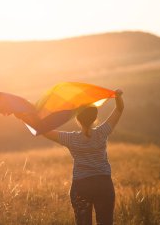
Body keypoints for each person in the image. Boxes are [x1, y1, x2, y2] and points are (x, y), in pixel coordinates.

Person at [42, 89, 124, 225]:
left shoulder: (70, 138)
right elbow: (119, 109)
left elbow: (45, 132)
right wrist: (118, 96)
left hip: (81, 185)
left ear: (77, 118)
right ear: (95, 117)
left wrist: (27, 116)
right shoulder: (102, 133)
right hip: (103, 184)